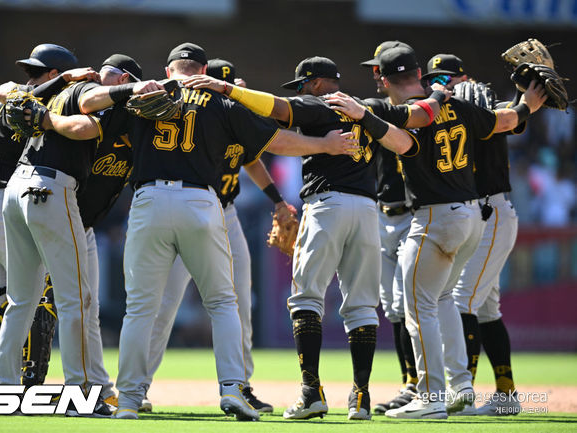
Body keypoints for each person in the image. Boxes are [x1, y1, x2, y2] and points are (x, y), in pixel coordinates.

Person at [78, 42, 358, 421]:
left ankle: (127, 399)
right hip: (201, 202)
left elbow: (87, 107)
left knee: (140, 309)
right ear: (204, 69)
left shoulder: (146, 94)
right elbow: (274, 141)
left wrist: (127, 88)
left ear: (170, 68)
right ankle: (233, 389)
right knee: (224, 302)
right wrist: (323, 144)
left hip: (147, 201)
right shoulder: (220, 102)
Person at [185, 55, 445, 421]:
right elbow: (411, 136)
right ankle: (361, 398)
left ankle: (311, 393)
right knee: (362, 306)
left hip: (327, 206)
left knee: (306, 298)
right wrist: (438, 95)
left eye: (306, 84)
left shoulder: (321, 103)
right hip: (368, 211)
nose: (304, 90)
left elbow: (277, 107)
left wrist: (228, 90)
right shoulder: (368, 107)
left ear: (319, 83)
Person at [333, 46, 546, 419]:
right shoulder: (460, 106)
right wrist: (529, 102)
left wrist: (364, 115)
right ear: (419, 72)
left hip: (434, 218)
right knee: (446, 298)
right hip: (469, 217)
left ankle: (429, 398)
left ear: (384, 79)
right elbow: (505, 122)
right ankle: (461, 384)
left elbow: (399, 137)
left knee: (419, 308)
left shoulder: (408, 114)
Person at [141, 58, 282, 414]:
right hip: (196, 205)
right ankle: (139, 386)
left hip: (226, 211)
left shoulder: (229, 111)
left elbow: (250, 158)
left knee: (239, 302)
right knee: (165, 303)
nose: (227, 90)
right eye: (224, 84)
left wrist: (277, 199)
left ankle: (242, 385)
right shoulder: (211, 114)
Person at [0, 45, 113, 417]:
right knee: (75, 298)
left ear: (57, 72)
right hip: (49, 188)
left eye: (38, 71)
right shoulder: (70, 93)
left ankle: (2, 388)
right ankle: (79, 392)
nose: (31, 77)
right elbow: (88, 125)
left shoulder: (39, 97)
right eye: (32, 71)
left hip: (16, 191)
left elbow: (6, 90)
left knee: (21, 299)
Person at [0, 43, 79, 390]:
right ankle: (29, 382)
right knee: (37, 292)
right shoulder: (32, 103)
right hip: (0, 207)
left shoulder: (6, 100)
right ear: (57, 76)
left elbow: (5, 95)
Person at [422, 53, 526, 416]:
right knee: (486, 308)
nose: (443, 83)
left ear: (465, 77)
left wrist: (528, 98)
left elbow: (507, 118)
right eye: (436, 78)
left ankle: (462, 390)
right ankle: (506, 394)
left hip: (491, 210)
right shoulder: (449, 113)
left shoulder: (482, 108)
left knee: (462, 299)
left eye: (449, 77)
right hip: (475, 213)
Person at [360, 40, 419, 414]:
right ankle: (410, 383)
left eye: (378, 70)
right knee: (394, 308)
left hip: (416, 213)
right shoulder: (379, 111)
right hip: (383, 214)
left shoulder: (424, 111)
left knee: (414, 305)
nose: (375, 77)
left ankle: (427, 385)